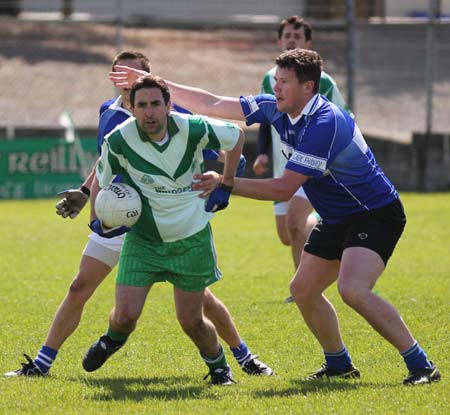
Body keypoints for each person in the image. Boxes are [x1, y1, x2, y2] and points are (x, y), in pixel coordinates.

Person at [108, 48, 440, 385]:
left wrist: (226, 184)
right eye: (276, 80)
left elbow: (284, 188)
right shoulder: (278, 108)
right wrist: (153, 82)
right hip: (339, 216)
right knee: (303, 289)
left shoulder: (324, 123)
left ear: (308, 87)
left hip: (375, 213)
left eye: (284, 82)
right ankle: (339, 364)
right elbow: (212, 104)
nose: (275, 87)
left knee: (352, 289)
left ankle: (422, 365)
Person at [5, 51, 272, 380]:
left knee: (198, 309)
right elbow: (103, 167)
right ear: (125, 96)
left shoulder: (182, 120)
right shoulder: (112, 119)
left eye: (133, 75)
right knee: (84, 290)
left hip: (177, 227)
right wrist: (91, 202)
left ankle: (240, 357)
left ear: (161, 96)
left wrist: (223, 181)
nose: (126, 81)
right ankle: (50, 360)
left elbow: (229, 145)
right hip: (126, 221)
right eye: (119, 74)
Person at [254, 16, 353, 302]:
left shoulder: (322, 81)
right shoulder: (269, 77)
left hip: (315, 166)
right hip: (283, 165)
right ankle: (328, 228)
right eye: (287, 35)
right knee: (287, 233)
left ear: (308, 43)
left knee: (296, 221)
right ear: (279, 41)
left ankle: (303, 291)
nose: (291, 40)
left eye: (297, 35)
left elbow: (344, 120)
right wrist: (262, 152)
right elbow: (266, 117)